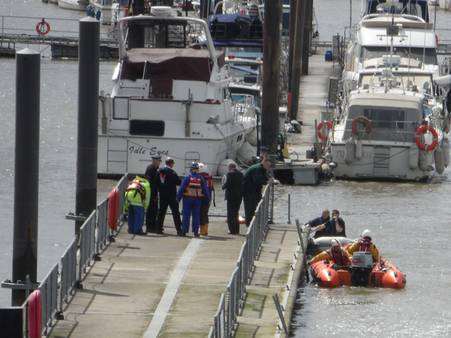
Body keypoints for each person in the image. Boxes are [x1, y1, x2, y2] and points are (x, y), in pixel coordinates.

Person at [177, 162, 210, 237]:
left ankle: (184, 231)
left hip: (187, 200)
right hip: (197, 200)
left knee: (186, 216)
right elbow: (205, 190)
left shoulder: (187, 177)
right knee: (196, 216)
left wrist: (177, 199)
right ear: (198, 170)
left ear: (191, 169)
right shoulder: (201, 178)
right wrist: (208, 199)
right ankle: (195, 232)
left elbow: (181, 189)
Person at [157, 158, 183, 236]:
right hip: (171, 195)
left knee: (161, 212)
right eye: (173, 163)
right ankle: (179, 230)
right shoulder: (172, 172)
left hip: (162, 195)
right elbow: (178, 182)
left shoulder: (160, 171)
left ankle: (158, 229)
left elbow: (158, 181)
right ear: (171, 164)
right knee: (175, 213)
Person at [243, 157, 271, 226]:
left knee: (256, 206)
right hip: (249, 191)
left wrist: (268, 179)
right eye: (268, 166)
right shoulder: (257, 169)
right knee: (250, 208)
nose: (269, 168)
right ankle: (249, 224)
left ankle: (255, 223)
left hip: (255, 190)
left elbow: (264, 177)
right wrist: (267, 181)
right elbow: (257, 180)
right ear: (264, 163)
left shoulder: (261, 168)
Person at [222, 162, 243, 235]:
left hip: (231, 197)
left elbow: (227, 184)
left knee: (230, 214)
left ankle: (232, 230)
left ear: (230, 168)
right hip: (239, 197)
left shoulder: (229, 174)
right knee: (236, 213)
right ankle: (237, 230)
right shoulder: (241, 174)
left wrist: (223, 186)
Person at [145, 155, 162, 233]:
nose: (159, 163)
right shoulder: (150, 169)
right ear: (155, 161)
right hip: (151, 193)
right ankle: (150, 227)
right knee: (151, 210)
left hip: (154, 192)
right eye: (159, 161)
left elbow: (157, 182)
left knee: (154, 210)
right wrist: (152, 193)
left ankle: (153, 226)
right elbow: (149, 182)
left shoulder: (156, 169)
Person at [199, 163, 214, 236]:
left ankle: (202, 231)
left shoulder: (200, 177)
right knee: (205, 214)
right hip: (208, 198)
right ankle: (206, 230)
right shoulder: (209, 177)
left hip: (202, 198)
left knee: (201, 214)